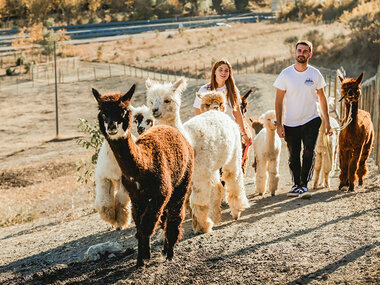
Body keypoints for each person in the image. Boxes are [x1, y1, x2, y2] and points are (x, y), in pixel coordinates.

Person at [274, 40, 331, 198]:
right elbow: (278, 101)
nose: (302, 53)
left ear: (310, 54)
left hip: (311, 119)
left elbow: (322, 97)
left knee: (308, 151)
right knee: (293, 155)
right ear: (295, 52)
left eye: (305, 51)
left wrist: (326, 122)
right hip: (291, 121)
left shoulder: (315, 74)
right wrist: (279, 124)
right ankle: (296, 184)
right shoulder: (285, 74)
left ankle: (304, 185)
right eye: (299, 50)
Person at [193, 59, 252, 144]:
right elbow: (198, 113)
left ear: (229, 73)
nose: (223, 73)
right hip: (210, 131)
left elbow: (238, 114)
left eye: (226, 71)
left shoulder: (233, 90)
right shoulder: (204, 90)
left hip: (229, 130)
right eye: (220, 70)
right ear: (214, 72)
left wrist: (244, 134)